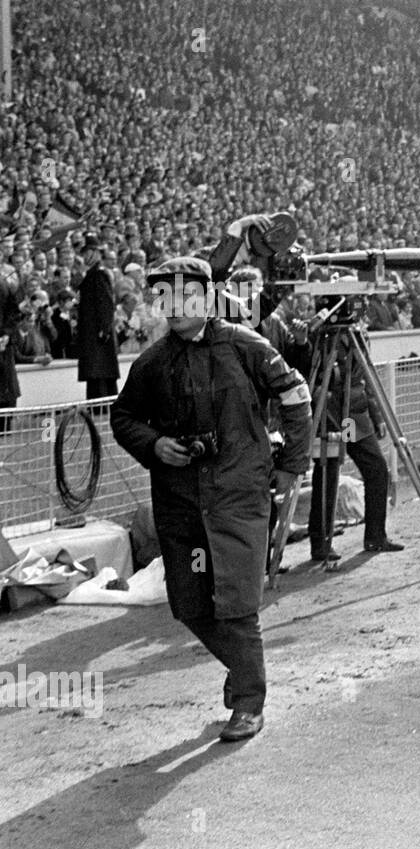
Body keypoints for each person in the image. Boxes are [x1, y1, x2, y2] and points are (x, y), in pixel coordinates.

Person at [111, 256, 313, 742]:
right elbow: (124, 419)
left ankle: (248, 702)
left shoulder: (246, 346)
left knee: (237, 605)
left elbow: (296, 398)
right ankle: (243, 671)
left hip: (239, 497)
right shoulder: (151, 363)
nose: (174, 308)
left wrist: (290, 467)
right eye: (164, 298)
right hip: (180, 504)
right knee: (191, 604)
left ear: (207, 298)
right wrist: (155, 445)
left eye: (184, 297)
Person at [289, 307, 404, 561]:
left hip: (354, 417)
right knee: (327, 478)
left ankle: (376, 536)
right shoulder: (316, 333)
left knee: (376, 470)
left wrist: (375, 416)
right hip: (328, 415)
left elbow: (364, 378)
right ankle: (320, 544)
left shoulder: (357, 335)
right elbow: (303, 371)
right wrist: (301, 342)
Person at [75, 234, 119, 399]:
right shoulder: (92, 274)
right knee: (98, 374)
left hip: (98, 335)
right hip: (94, 333)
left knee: (99, 373)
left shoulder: (99, 274)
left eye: (88, 252)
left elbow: (106, 304)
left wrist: (104, 329)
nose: (85, 256)